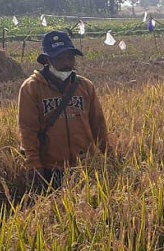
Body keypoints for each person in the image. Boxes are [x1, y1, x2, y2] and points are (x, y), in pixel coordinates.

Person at [18, 30, 109, 190]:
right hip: (51, 168)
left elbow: (98, 124)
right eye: (60, 58)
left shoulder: (85, 86)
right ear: (47, 60)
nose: (67, 62)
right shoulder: (31, 88)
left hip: (84, 166)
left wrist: (109, 155)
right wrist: (33, 165)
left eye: (70, 57)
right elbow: (28, 130)